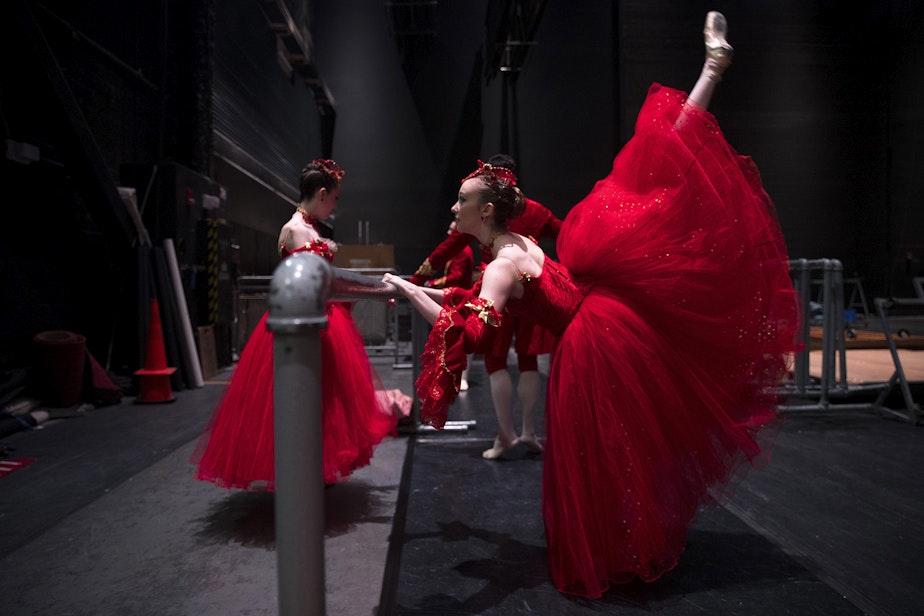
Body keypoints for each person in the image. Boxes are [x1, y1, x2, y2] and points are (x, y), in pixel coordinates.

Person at [384, 11, 800, 599]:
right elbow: (461, 301)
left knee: (601, 459)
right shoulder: (518, 242)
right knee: (651, 176)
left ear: (483, 212)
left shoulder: (500, 266)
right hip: (607, 318)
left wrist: (406, 295)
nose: (452, 210)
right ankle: (710, 72)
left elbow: (468, 335)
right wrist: (415, 286)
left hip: (591, 350)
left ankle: (614, 551)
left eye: (460, 202)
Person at [193, 159, 398, 489]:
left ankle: (315, 466)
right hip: (307, 322)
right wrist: (372, 291)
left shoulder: (309, 229)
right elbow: (317, 281)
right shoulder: (295, 230)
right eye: (335, 197)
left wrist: (372, 290)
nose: (335, 204)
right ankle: (301, 471)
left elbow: (327, 281)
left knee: (323, 398)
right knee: (302, 396)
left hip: (324, 321)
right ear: (321, 193)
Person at [409, 153, 563, 459]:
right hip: (529, 289)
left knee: (495, 361)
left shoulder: (487, 218)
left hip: (496, 292)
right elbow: (566, 234)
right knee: (528, 360)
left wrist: (418, 279)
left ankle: (506, 434)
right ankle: (528, 431)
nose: (457, 207)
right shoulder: (535, 211)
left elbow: (449, 245)